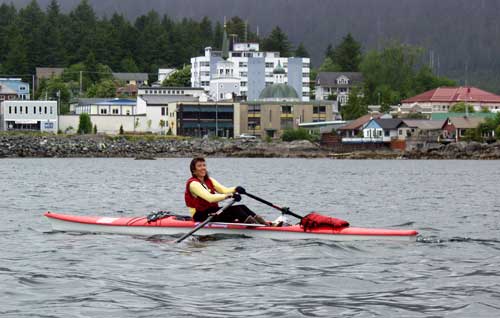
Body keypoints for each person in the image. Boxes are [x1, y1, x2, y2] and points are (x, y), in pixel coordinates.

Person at [185, 157, 269, 225]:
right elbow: (210, 198)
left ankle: (264, 224)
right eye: (199, 166)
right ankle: (257, 227)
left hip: (212, 211)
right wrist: (230, 195)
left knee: (242, 207)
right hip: (200, 215)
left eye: (204, 165)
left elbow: (223, 190)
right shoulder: (193, 184)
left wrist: (236, 189)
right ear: (194, 170)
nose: (203, 168)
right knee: (236, 211)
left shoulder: (209, 180)